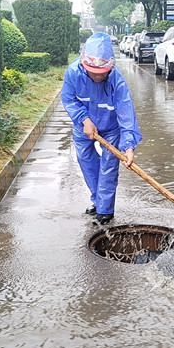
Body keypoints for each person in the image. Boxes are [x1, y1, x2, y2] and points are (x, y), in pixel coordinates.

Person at [61, 32, 143, 225]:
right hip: (84, 125)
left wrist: (129, 148)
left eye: (102, 72)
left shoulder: (117, 81)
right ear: (83, 65)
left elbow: (126, 116)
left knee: (108, 166)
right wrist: (84, 119)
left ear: (110, 66)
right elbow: (69, 99)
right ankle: (98, 200)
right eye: (92, 71)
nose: (97, 75)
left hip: (111, 126)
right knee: (86, 161)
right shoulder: (73, 73)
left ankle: (105, 210)